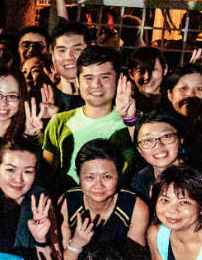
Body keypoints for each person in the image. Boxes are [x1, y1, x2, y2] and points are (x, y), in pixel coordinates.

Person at [40, 46, 133, 179]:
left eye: (105, 77)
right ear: (77, 81)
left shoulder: (132, 122)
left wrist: (131, 121)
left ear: (118, 80)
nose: (96, 85)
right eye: (88, 78)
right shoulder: (59, 122)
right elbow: (46, 174)